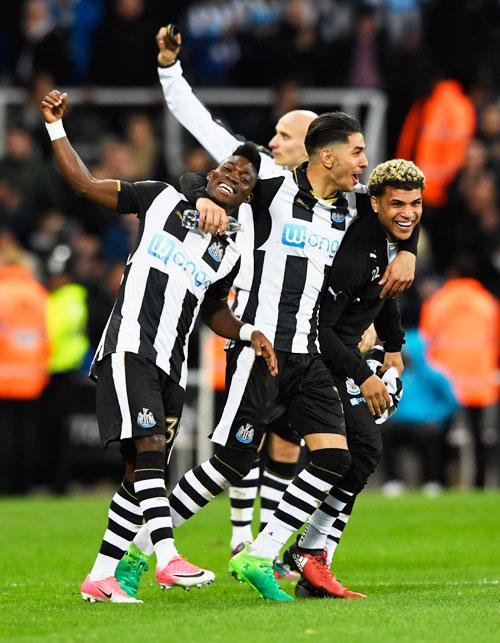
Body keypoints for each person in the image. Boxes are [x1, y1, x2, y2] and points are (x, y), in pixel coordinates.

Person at [169, 111, 421, 602]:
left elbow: (397, 212)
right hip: (262, 350)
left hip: (311, 357)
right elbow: (202, 177)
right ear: (326, 156)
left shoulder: (350, 212)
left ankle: (262, 553)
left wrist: (406, 248)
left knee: (334, 457)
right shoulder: (270, 189)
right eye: (357, 152)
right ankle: (134, 549)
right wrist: (204, 196)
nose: (364, 161)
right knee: (229, 465)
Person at [40, 88, 277, 604]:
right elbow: (83, 184)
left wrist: (247, 332)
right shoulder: (161, 197)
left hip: (172, 363)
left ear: (247, 198)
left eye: (245, 178)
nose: (234, 175)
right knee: (151, 452)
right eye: (229, 168)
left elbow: (214, 311)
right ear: (211, 174)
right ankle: (167, 557)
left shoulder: (231, 251)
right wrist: (57, 126)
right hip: (130, 346)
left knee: (136, 474)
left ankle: (101, 576)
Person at [280, 158, 425, 598]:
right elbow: (323, 329)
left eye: (416, 204)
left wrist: (395, 347)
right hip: (310, 356)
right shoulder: (355, 251)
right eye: (398, 203)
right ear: (374, 203)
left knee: (360, 454)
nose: (409, 213)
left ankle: (311, 558)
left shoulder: (385, 239)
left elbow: (384, 295)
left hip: (338, 357)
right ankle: (281, 549)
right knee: (236, 460)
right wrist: (365, 375)